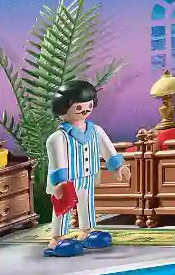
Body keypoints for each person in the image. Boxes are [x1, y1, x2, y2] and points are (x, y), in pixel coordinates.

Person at [44, 80, 130, 257]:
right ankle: (57, 239)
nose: (85, 110)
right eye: (79, 107)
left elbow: (107, 148)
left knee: (87, 202)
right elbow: (58, 161)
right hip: (67, 180)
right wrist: (60, 182)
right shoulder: (58, 138)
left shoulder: (95, 130)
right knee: (63, 206)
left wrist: (118, 166)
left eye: (89, 105)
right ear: (63, 107)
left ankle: (87, 231)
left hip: (87, 175)